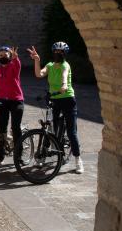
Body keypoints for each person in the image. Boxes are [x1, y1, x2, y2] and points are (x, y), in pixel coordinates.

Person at [27, 42, 83, 174]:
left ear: (64, 54)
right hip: (54, 99)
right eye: (56, 52)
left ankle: (78, 159)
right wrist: (37, 60)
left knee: (71, 132)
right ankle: (44, 155)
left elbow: (64, 76)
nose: (58, 54)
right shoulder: (50, 65)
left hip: (68, 98)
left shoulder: (65, 65)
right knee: (50, 128)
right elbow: (39, 74)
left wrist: (64, 86)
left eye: (61, 52)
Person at [0, 46, 24, 160]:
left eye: (6, 55)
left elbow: (18, 66)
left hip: (16, 100)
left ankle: (18, 155)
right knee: (1, 130)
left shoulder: (13, 66)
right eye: (1, 55)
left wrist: (16, 59)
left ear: (10, 56)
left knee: (15, 128)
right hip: (2, 101)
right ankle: (0, 156)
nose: (3, 57)